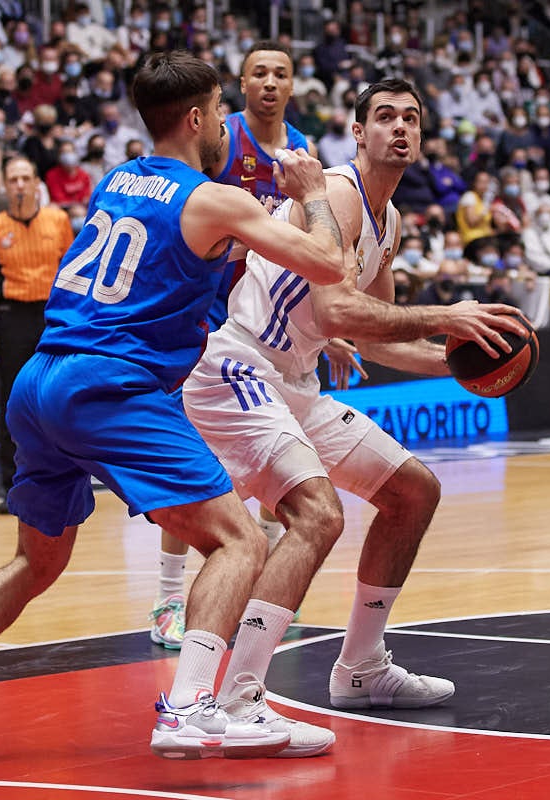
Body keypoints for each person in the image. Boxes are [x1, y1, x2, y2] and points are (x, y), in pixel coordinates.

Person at [0, 50, 348, 760]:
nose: (225, 122)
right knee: (241, 540)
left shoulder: (117, 179)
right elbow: (330, 264)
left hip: (39, 382)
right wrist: (312, 189)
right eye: (220, 110)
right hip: (108, 384)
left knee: (37, 562)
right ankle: (188, 706)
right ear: (196, 118)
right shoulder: (216, 199)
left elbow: (169, 265)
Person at [180, 79, 526, 756]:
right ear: (357, 132)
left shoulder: (388, 221)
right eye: (385, 117)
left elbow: (374, 336)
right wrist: (447, 315)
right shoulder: (336, 195)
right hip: (234, 364)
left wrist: (466, 362)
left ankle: (361, 668)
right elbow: (340, 312)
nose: (399, 128)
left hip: (292, 382)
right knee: (317, 515)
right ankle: (239, 696)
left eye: (411, 119)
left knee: (412, 489)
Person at [148, 40, 317, 649]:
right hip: (211, 322)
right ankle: (169, 599)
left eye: (281, 74)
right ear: (242, 86)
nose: (270, 83)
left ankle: (265, 589)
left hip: (273, 327)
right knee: (200, 465)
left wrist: (329, 329)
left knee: (281, 455)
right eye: (259, 73)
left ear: (292, 86)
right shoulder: (219, 144)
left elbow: (311, 249)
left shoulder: (302, 155)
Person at [0, 156, 74, 514]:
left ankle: (65, 482)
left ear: (35, 184)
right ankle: (13, 487)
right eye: (12, 179)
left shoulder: (58, 220)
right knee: (14, 402)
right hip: (13, 316)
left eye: (24, 178)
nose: (18, 185)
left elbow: (74, 273)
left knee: (58, 398)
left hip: (53, 315)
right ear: (5, 186)